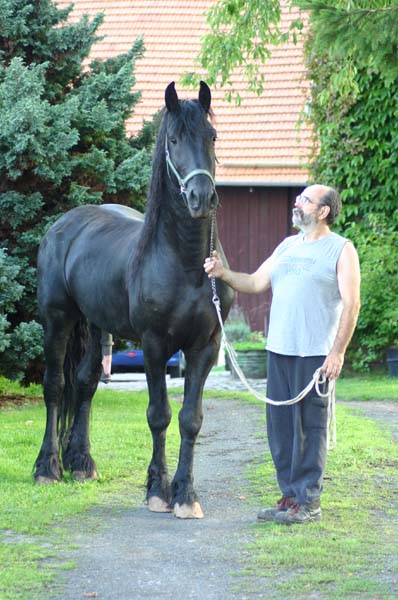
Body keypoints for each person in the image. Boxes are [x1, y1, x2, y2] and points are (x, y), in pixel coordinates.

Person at [204, 184, 361, 524]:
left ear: (323, 211)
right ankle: (289, 497)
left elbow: (352, 304)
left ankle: (309, 502)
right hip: (279, 350)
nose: (297, 202)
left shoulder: (341, 249)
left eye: (305, 199)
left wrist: (338, 353)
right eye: (298, 197)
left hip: (315, 355)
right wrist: (222, 274)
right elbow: (255, 282)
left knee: (310, 428)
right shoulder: (287, 246)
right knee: (281, 430)